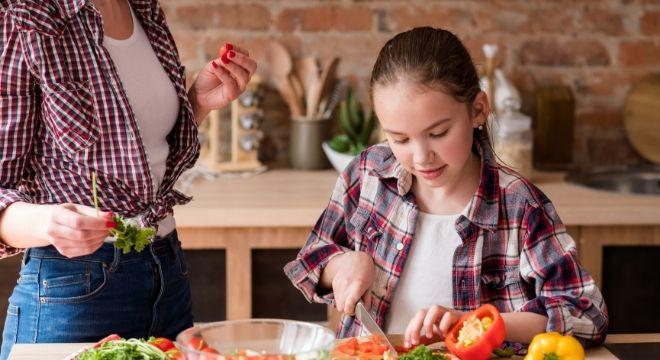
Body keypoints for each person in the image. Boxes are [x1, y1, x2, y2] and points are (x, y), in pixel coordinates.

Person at [284, 27, 607, 350]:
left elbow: (588, 314)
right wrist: (344, 264)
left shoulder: (520, 206)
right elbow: (311, 260)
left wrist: (478, 322)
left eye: (438, 133)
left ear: (478, 110)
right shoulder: (367, 174)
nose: (421, 157)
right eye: (399, 139)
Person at [0, 0, 256, 357]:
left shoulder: (144, 7)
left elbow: (142, 155)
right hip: (76, 288)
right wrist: (49, 222)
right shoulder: (25, 15)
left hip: (168, 274)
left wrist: (198, 101)